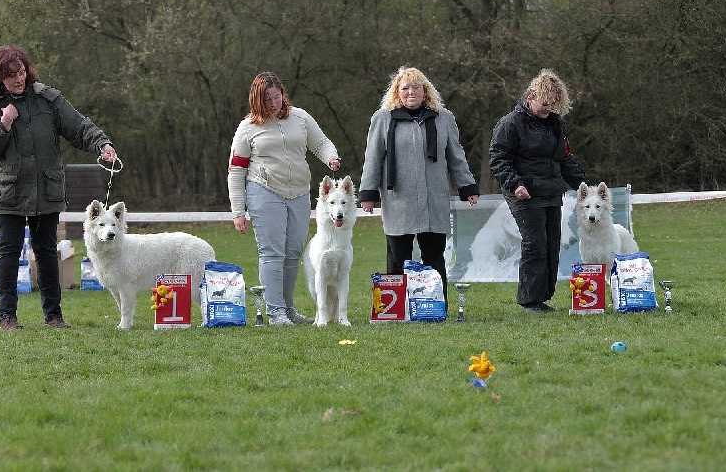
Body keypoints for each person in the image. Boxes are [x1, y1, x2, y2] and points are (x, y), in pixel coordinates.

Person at [0, 45, 117, 329]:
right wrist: (4, 123)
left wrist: (101, 142)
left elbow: (78, 126)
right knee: (8, 252)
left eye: (22, 72)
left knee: (46, 252)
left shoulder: (48, 99)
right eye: (11, 75)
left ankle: (53, 316)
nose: (19, 79)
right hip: (9, 193)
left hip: (46, 190)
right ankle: (7, 317)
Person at [359, 66, 480, 312]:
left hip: (433, 198)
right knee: (397, 257)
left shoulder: (443, 117)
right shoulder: (382, 118)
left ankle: (436, 305)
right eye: (405, 88)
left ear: (425, 91)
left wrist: (467, 186)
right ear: (397, 92)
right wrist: (368, 193)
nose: (410, 92)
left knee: (434, 256)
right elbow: (372, 158)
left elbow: (456, 156)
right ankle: (394, 310)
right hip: (398, 199)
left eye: (416, 87)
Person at [228, 72, 341, 326]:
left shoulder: (300, 117)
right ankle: (275, 312)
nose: (273, 103)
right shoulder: (248, 128)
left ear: (282, 94)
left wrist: (331, 157)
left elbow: (321, 143)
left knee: (293, 253)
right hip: (264, 191)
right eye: (266, 99)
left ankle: (289, 309)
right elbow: (236, 171)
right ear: (256, 100)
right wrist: (238, 211)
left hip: (299, 193)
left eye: (276, 96)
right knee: (272, 253)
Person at [489, 68, 589, 313]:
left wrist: (585, 186)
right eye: (545, 104)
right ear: (531, 97)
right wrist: (515, 184)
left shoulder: (557, 125)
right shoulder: (510, 124)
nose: (548, 109)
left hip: (552, 192)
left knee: (552, 244)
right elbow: (498, 159)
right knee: (536, 243)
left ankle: (543, 297)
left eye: (553, 105)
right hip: (523, 192)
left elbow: (565, 160)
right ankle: (530, 301)